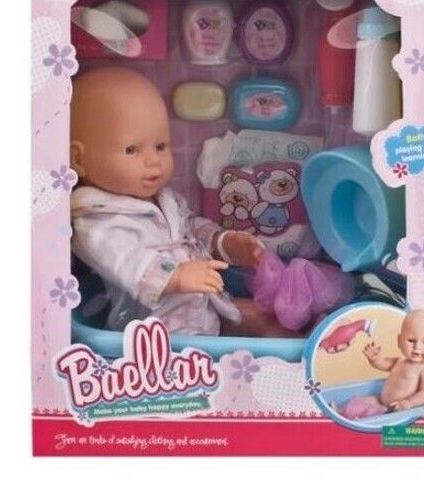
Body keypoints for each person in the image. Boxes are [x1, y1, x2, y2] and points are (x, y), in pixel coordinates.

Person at [69, 66, 273, 336]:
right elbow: (128, 261)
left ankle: (313, 342)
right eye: (131, 149)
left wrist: (224, 243)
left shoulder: (164, 199)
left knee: (266, 317)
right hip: (157, 330)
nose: (153, 160)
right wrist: (175, 276)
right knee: (248, 329)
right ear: (79, 159)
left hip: (203, 307)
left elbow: (192, 227)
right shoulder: (97, 223)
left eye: (160, 146)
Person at [339, 310, 424, 419]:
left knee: (371, 415)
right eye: (411, 340)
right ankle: (341, 412)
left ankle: (354, 418)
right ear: (399, 340)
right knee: (358, 402)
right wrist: (374, 359)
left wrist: (408, 403)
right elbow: (383, 364)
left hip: (398, 410)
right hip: (380, 400)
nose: (417, 347)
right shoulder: (400, 361)